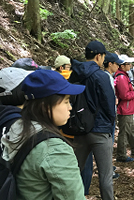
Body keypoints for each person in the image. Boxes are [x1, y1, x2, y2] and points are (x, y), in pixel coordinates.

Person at [0, 69, 86, 200]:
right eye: (66, 101)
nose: (70, 107)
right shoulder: (54, 149)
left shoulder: (15, 126)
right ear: (45, 105)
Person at [69, 40, 116, 200]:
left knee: (74, 171)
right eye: (103, 56)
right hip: (100, 130)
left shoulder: (75, 74)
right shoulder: (101, 76)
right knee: (105, 175)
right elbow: (109, 104)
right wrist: (110, 123)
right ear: (98, 56)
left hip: (80, 128)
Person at [114, 55, 134, 162]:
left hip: (127, 108)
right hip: (124, 109)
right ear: (122, 66)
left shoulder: (124, 75)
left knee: (130, 130)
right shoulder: (122, 77)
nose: (130, 66)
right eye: (128, 64)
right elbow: (124, 95)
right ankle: (122, 155)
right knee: (124, 133)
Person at [103, 52, 124, 180]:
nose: (118, 66)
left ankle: (108, 166)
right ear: (110, 64)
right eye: (117, 64)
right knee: (107, 145)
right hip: (107, 117)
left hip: (110, 115)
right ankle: (107, 170)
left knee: (109, 143)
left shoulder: (109, 76)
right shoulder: (106, 77)